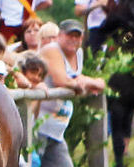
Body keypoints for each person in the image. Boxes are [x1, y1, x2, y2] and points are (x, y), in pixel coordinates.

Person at [35, 19, 106, 167]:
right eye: (69, 35)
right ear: (60, 35)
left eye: (77, 36)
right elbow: (61, 80)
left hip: (57, 130)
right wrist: (79, 83)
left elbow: (100, 84)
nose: (73, 40)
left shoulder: (78, 53)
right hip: (38, 125)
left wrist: (84, 80)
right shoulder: (52, 50)